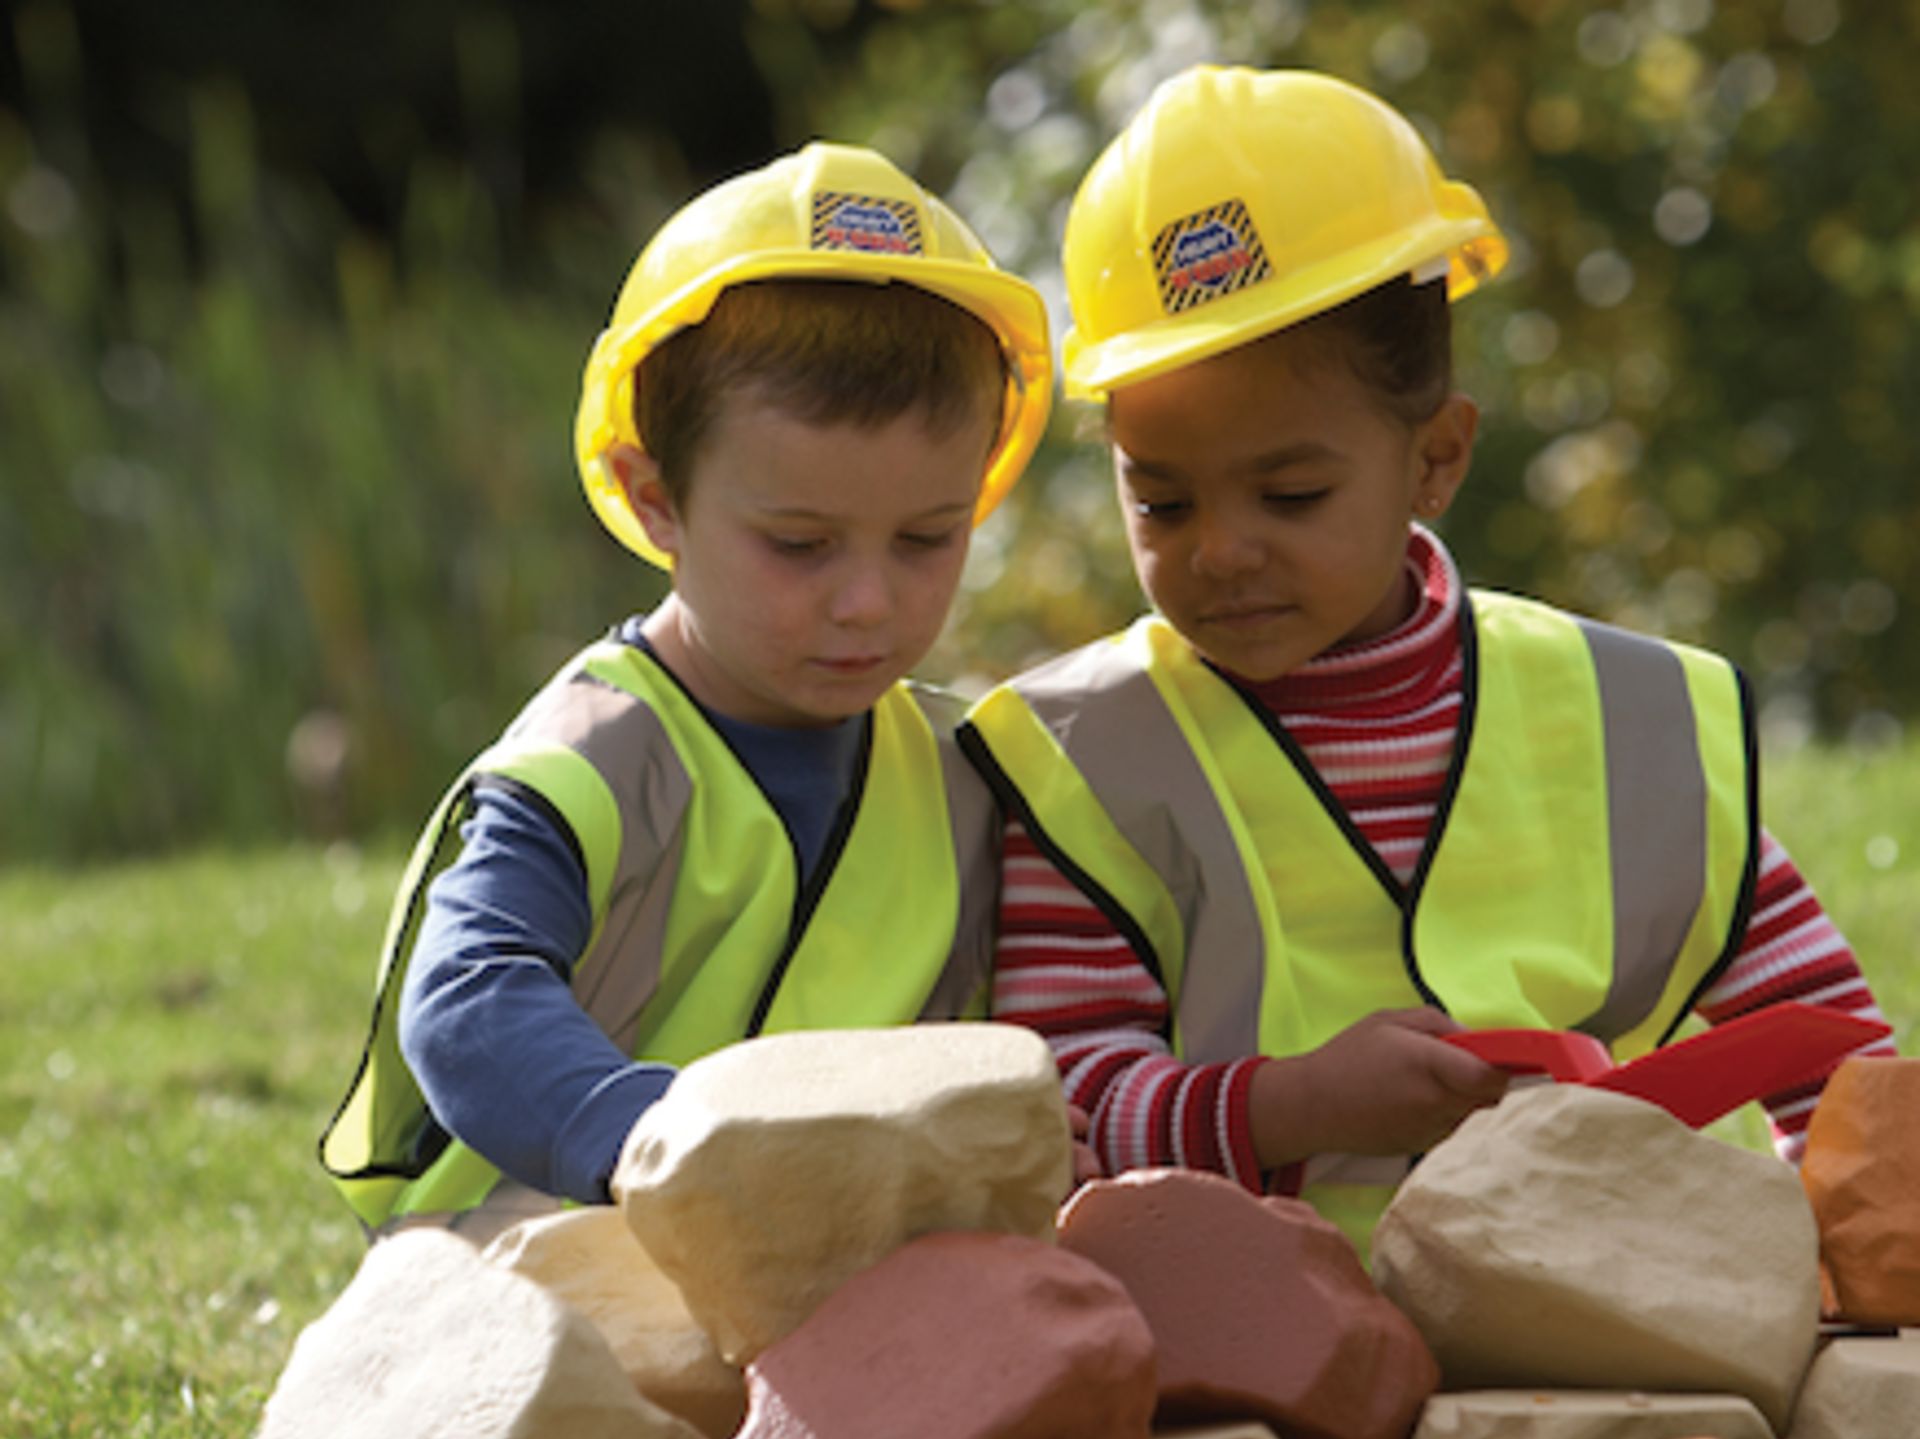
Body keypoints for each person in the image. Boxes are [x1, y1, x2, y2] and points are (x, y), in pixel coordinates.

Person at [961, 65, 1890, 1257]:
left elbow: (1834, 1059)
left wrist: (1861, 1274)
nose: (1224, 551)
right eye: (1163, 501)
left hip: (1600, 1332)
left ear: (1437, 458)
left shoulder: (1629, 720)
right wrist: (1289, 1105)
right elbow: (1057, 1108)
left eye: (1291, 494)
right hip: (1239, 1372)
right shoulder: (1082, 761)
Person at [320, 142, 1052, 1236]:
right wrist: (668, 1144)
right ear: (653, 497)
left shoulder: (967, 774)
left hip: (826, 1266)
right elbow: (468, 1006)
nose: (867, 600)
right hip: (528, 1263)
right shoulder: (589, 761)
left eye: (926, 539)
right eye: (800, 544)